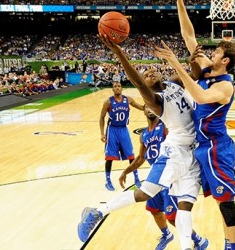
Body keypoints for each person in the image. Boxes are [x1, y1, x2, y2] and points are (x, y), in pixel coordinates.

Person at [78, 34, 204, 250]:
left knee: (184, 207)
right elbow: (137, 81)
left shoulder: (172, 82)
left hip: (195, 153)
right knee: (145, 193)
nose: (150, 72)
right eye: (146, 74)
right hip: (175, 151)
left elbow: (195, 74)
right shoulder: (154, 101)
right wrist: (118, 52)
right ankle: (97, 213)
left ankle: (191, 246)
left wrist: (196, 59)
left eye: (151, 70)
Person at [165, 0, 235, 249]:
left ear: (225, 62)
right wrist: (180, 1)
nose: (212, 53)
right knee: (189, 196)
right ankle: (196, 240)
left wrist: (178, 66)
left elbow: (199, 96)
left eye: (217, 52)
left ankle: (232, 247)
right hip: (201, 147)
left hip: (217, 148)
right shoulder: (210, 71)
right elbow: (189, 36)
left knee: (226, 203)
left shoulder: (225, 86)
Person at [118, 106, 208, 250]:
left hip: (169, 176)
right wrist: (126, 171)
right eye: (146, 106)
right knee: (154, 209)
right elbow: (141, 158)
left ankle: (199, 240)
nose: (150, 109)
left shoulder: (166, 127)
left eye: (151, 106)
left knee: (172, 217)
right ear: (144, 110)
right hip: (155, 176)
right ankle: (166, 235)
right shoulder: (144, 135)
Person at [99, 81, 144, 191]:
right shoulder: (108, 102)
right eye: (115, 86)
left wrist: (149, 103)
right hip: (112, 130)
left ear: (122, 88)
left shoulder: (128, 99)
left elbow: (142, 108)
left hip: (124, 129)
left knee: (131, 155)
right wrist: (101, 133)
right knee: (109, 157)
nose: (117, 88)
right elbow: (102, 117)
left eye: (119, 86)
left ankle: (136, 179)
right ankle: (108, 181)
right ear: (113, 89)